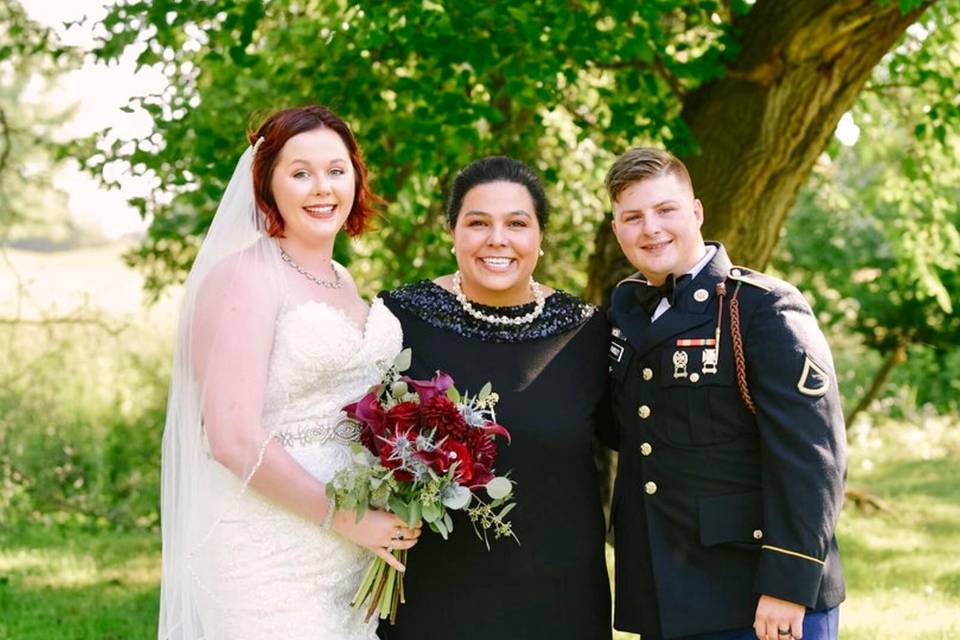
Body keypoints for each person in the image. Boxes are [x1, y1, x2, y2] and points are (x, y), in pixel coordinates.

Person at [158, 105, 422, 640]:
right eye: (300, 173)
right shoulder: (245, 277)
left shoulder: (343, 280)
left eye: (336, 169)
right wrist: (350, 520)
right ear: (267, 186)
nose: (322, 188)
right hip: (268, 548)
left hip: (345, 552)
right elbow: (231, 438)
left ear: (356, 178)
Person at [603, 147, 846, 640]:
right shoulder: (626, 314)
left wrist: (788, 584)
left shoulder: (761, 309)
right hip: (668, 592)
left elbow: (813, 455)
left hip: (757, 596)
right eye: (633, 217)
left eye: (665, 210)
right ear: (617, 231)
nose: (651, 228)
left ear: (696, 212)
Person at [377, 157, 612, 640]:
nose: (497, 239)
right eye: (478, 223)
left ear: (540, 237)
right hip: (433, 597)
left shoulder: (587, 331)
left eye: (517, 224)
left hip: (560, 600)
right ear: (452, 232)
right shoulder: (397, 320)